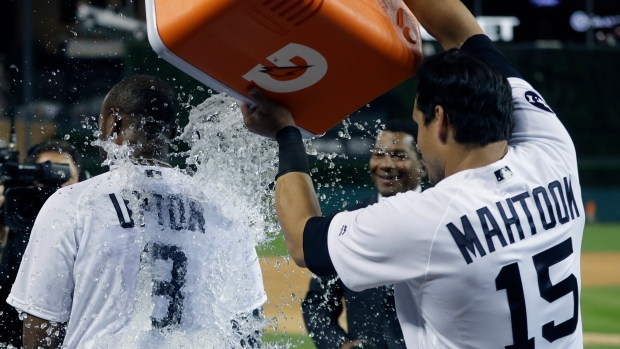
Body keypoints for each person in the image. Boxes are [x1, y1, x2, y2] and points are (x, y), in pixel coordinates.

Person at [241, 0, 585, 347]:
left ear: (442, 121)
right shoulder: (552, 149)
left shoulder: (426, 219)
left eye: (419, 124)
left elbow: (302, 241)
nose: (419, 142)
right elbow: (461, 31)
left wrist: (286, 133)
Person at [7, 75, 266, 348]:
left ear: (114, 124)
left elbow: (41, 324)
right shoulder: (220, 207)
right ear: (174, 133)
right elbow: (247, 326)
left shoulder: (73, 203)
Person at [302, 119, 425, 349]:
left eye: (399, 155)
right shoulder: (346, 222)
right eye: (378, 154)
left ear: (423, 163)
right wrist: (339, 345)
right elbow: (317, 303)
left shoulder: (443, 215)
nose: (386, 164)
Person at [0, 139, 81, 347]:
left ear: (82, 180)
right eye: (45, 178)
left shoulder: (90, 227)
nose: (56, 190)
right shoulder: (12, 219)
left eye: (64, 177)